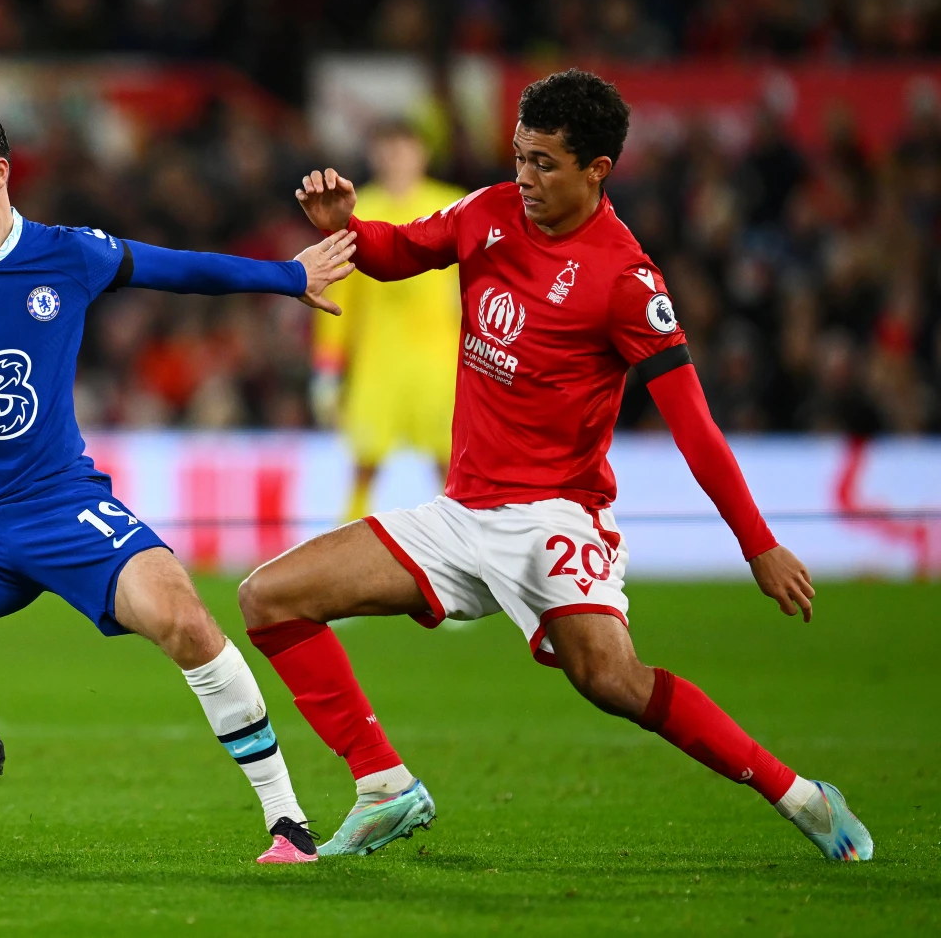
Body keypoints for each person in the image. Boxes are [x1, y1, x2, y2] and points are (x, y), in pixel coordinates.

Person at [240, 70, 873, 862]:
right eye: (518, 156)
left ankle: (802, 797)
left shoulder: (626, 280)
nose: (524, 178)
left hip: (554, 516)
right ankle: (384, 785)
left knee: (611, 680)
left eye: (544, 163)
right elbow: (402, 253)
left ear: (596, 169)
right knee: (269, 597)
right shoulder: (489, 211)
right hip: (460, 514)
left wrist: (758, 544)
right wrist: (350, 229)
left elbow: (698, 432)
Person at [0, 101, 358, 864]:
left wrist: (288, 276)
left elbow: (177, 268)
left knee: (184, 620)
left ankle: (287, 821)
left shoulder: (68, 255)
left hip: (63, 507)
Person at [311, 120, 463, 521]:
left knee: (451, 463)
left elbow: (475, 289)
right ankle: (344, 549)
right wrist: (328, 369)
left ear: (422, 154)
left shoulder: (453, 206)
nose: (396, 158)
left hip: (441, 360)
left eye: (405, 148)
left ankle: (460, 543)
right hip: (378, 360)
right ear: (375, 155)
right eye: (388, 149)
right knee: (364, 463)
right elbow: (339, 292)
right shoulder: (357, 212)